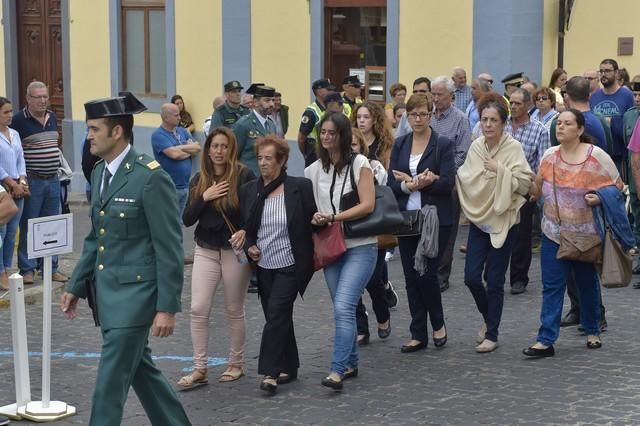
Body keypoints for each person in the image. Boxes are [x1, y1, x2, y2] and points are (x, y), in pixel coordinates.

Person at [60, 93, 190, 425]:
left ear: (117, 132)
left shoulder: (149, 176)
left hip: (136, 297)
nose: (87, 135)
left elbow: (169, 246)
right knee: (142, 372)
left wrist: (167, 307)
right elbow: (96, 236)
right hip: (107, 295)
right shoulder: (100, 172)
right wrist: (75, 284)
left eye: (94, 129)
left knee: (109, 383)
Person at [523, 109, 622, 357]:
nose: (561, 127)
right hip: (553, 232)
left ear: (579, 129)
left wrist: (599, 198)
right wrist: (522, 182)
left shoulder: (596, 156)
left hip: (585, 235)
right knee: (552, 285)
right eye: (559, 123)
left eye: (568, 123)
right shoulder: (549, 156)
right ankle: (545, 339)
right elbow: (537, 188)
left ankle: (592, 330)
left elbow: (618, 188)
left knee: (587, 284)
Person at [178, 126, 255, 388]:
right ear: (208, 150)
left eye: (224, 146)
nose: (219, 151)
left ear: (231, 149)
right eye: (214, 146)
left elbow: (253, 214)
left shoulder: (244, 176)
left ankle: (236, 363)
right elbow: (187, 219)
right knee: (198, 308)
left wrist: (245, 231)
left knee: (234, 309)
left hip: (233, 251)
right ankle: (200, 368)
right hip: (206, 249)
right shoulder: (199, 179)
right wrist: (204, 196)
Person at [304, 112, 377, 391]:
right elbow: (306, 207)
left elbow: (368, 204)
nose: (326, 137)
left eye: (332, 133)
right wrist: (315, 217)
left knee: (344, 306)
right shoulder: (313, 169)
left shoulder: (360, 163)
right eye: (323, 132)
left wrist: (333, 217)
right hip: (330, 246)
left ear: (343, 135)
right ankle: (351, 362)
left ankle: (337, 370)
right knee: (342, 308)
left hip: (360, 245)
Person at [456, 93, 533, 353]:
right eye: (484, 119)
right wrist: (487, 174)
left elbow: (524, 182)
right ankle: (489, 318)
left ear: (503, 123)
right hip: (480, 218)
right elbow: (467, 177)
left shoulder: (513, 148)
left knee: (496, 279)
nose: (488, 124)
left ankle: (492, 333)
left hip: (505, 219)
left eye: (493, 120)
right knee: (471, 278)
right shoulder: (477, 146)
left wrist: (500, 170)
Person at [239, 135, 316, 394]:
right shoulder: (250, 190)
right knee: (279, 316)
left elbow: (312, 221)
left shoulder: (300, 187)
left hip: (291, 264)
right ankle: (290, 366)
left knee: (276, 314)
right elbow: (247, 227)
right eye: (260, 158)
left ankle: (270, 372)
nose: (262, 163)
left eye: (268, 158)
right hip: (264, 266)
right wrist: (250, 244)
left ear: (282, 161)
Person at [388, 94, 455, 353]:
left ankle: (438, 323)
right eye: (413, 114)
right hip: (406, 217)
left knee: (426, 274)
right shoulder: (401, 143)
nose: (418, 119)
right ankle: (418, 332)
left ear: (431, 115)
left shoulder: (443, 144)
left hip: (434, 218)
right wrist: (409, 184)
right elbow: (391, 184)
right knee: (410, 276)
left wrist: (428, 182)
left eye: (423, 114)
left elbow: (448, 182)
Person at [12, 81, 66, 285]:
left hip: (53, 179)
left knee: (52, 224)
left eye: (45, 97)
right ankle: (27, 269)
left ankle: (51, 267)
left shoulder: (52, 117)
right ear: (28, 99)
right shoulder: (18, 120)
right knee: (29, 224)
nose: (43, 101)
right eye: (38, 97)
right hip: (32, 180)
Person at [426, 76, 472, 292]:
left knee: (447, 227)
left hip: (448, 180)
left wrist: (442, 173)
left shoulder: (460, 119)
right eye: (433, 94)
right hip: (424, 178)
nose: (435, 98)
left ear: (451, 96)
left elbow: (462, 153)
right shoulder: (427, 117)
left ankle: (442, 273)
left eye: (439, 94)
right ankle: (425, 267)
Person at [504, 89, 550, 295]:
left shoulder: (539, 130)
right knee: (496, 231)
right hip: (499, 186)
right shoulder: (501, 124)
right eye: (511, 103)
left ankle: (519, 277)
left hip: (524, 188)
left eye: (517, 103)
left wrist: (537, 188)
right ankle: (493, 272)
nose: (513, 106)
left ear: (528, 105)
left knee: (522, 235)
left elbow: (543, 164)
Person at [350, 128, 391, 345]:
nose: (350, 149)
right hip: (349, 232)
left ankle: (383, 315)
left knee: (374, 280)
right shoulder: (336, 171)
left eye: (354, 145)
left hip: (373, 230)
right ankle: (361, 327)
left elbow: (383, 195)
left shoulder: (375, 167)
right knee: (351, 284)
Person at [151, 103, 201, 217]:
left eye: (179, 114)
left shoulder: (182, 131)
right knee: (169, 221)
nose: (179, 117)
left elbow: (197, 148)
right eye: (176, 115)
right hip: (170, 188)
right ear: (166, 117)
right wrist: (188, 148)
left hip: (184, 186)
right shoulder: (158, 135)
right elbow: (174, 154)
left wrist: (180, 148)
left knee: (180, 222)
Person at [0, 97, 28, 290]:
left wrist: (22, 182)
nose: (10, 115)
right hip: (2, 187)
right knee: (0, 232)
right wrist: (10, 182)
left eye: (11, 111)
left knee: (11, 233)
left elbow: (21, 159)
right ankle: (0, 271)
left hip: (17, 186)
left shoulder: (15, 134)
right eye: (6, 112)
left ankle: (8, 268)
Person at [590, 58, 635, 177]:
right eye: (601, 71)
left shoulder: (627, 96)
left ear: (616, 73)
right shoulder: (594, 97)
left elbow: (632, 125)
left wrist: (612, 122)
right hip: (597, 156)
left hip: (619, 156)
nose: (604, 74)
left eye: (608, 71)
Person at [232, 85, 277, 176]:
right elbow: (232, 156)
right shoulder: (243, 124)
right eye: (267, 100)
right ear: (256, 102)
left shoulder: (271, 124)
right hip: (248, 179)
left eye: (273, 100)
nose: (272, 104)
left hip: (268, 178)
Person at [298, 79, 331, 166]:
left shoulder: (329, 108)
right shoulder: (311, 112)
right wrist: (306, 154)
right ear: (319, 92)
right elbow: (301, 138)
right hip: (315, 154)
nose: (331, 92)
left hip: (327, 153)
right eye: (328, 90)